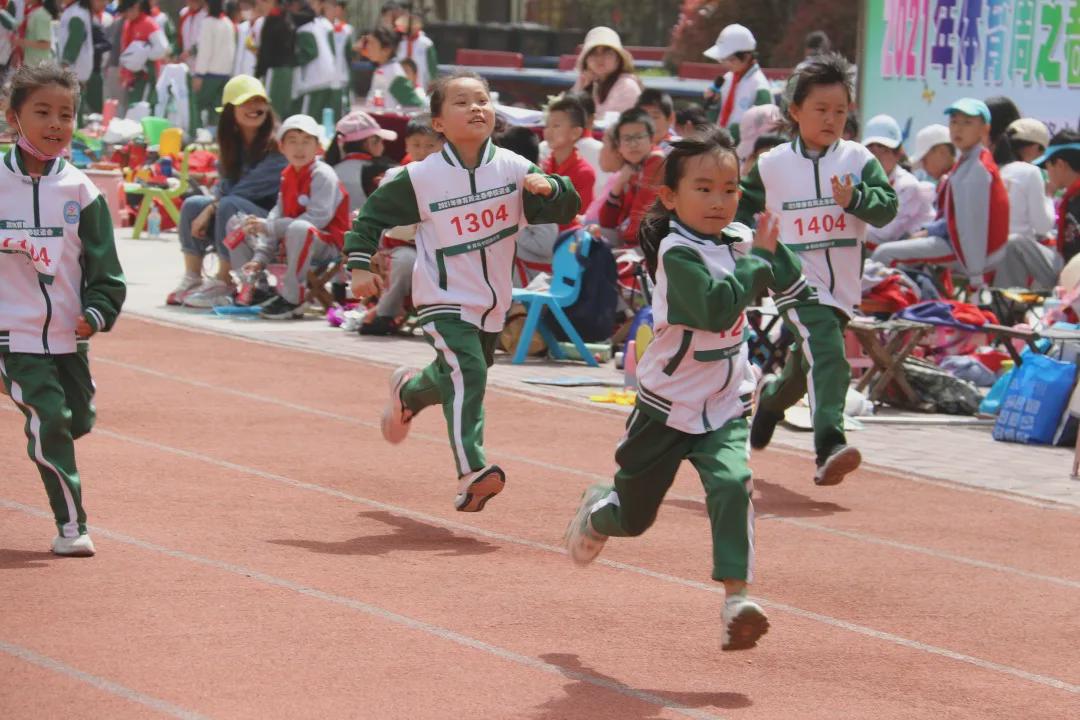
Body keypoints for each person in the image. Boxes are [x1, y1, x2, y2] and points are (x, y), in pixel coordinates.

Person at [565, 130, 798, 651]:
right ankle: (601, 512)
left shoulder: (737, 237)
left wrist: (776, 253)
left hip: (724, 400)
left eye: (730, 188)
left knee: (734, 483)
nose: (720, 201)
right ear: (670, 197)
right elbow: (716, 309)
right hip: (666, 405)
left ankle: (735, 600)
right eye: (704, 189)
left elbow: (785, 276)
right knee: (635, 517)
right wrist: (758, 262)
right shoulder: (677, 253)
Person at [345, 71, 580, 512]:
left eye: (483, 100)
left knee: (458, 375)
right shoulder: (421, 177)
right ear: (437, 123)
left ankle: (409, 393)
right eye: (461, 102)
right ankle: (472, 472)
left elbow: (567, 207)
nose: (476, 108)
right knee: (468, 373)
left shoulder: (514, 168)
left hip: (493, 303)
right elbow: (369, 219)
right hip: (442, 298)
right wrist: (359, 266)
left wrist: (552, 187)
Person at [739, 53, 897, 486]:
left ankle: (772, 399)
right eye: (821, 110)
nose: (831, 119)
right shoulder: (771, 165)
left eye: (840, 111)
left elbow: (887, 210)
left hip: (842, 283)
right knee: (827, 350)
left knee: (808, 362)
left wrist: (856, 201)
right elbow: (735, 207)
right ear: (795, 111)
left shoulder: (858, 159)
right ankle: (829, 444)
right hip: (792, 277)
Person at [0, 62, 125, 557]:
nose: (56, 124)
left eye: (66, 114)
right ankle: (72, 527)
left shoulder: (81, 190)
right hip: (12, 332)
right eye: (43, 112)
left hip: (67, 335)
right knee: (49, 420)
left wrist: (97, 313)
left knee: (77, 421)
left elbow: (106, 269)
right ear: (14, 117)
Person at [169, 75, 287, 306]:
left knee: (227, 204)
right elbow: (225, 185)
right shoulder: (232, 144)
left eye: (259, 101)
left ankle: (224, 281)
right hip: (237, 211)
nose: (255, 108)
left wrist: (212, 207)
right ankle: (192, 278)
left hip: (269, 221)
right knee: (193, 204)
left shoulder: (279, 146)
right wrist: (210, 206)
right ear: (231, 111)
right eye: (246, 102)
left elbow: (246, 190)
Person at [870, 98, 1009, 284]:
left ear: (985, 129)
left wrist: (976, 278)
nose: (958, 129)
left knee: (884, 253)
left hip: (969, 253)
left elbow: (973, 228)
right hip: (960, 246)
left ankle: (882, 309)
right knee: (890, 254)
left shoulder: (977, 168)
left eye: (967, 123)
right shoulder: (969, 162)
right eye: (954, 122)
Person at [234, 114, 350, 319]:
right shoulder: (287, 174)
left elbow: (317, 218)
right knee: (239, 223)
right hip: (294, 240)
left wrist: (268, 227)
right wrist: (261, 254)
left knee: (300, 228)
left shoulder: (323, 174)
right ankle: (253, 286)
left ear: (318, 147)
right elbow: (277, 214)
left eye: (306, 142)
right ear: (282, 147)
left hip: (328, 244)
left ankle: (292, 299)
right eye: (293, 142)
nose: (299, 148)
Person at [360, 114, 443, 336]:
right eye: (416, 145)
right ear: (406, 144)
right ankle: (385, 314)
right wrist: (374, 248)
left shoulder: (453, 178)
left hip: (441, 246)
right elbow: (376, 215)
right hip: (401, 246)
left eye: (430, 145)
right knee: (406, 261)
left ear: (444, 145)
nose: (423, 151)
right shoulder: (395, 175)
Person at [996, 118, 1058, 289]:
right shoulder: (1029, 172)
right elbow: (1043, 226)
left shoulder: (993, 169)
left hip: (985, 254)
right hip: (1014, 260)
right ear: (1033, 148)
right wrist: (1049, 196)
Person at [861, 114, 934, 250]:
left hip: (917, 264)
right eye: (871, 150)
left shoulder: (908, 185)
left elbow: (884, 232)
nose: (877, 157)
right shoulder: (862, 181)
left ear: (898, 154)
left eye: (884, 150)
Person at [599, 107, 664, 247]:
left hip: (651, 245)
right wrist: (619, 183)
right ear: (619, 146)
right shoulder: (632, 167)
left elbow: (641, 221)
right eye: (627, 139)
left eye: (639, 137)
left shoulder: (656, 161)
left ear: (652, 139)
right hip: (636, 240)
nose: (633, 144)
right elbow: (606, 221)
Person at [702, 23, 772, 144]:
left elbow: (763, 130)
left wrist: (737, 134)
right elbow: (715, 120)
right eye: (722, 59)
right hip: (721, 148)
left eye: (730, 59)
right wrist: (713, 104)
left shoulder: (760, 87)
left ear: (746, 57)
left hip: (744, 155)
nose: (725, 64)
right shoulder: (728, 79)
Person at [327, 109, 396, 213]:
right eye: (381, 140)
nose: (383, 145)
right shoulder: (385, 170)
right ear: (370, 142)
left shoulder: (330, 170)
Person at [542, 95, 595, 231]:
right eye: (547, 126)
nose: (548, 131)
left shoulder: (584, 173)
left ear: (575, 132)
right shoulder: (545, 165)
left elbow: (580, 218)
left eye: (556, 126)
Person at [570, 26, 641, 117]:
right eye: (593, 53)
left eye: (607, 53)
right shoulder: (585, 81)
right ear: (586, 61)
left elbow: (606, 121)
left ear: (618, 59)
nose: (600, 59)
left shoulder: (627, 86)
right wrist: (583, 90)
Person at [1036, 130, 1080, 265]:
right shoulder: (1072, 197)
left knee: (1016, 244)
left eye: (1047, 166)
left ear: (1060, 165)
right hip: (1069, 270)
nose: (1047, 173)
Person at [117, 0, 168, 108]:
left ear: (136, 6)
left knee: (143, 107)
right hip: (132, 76)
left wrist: (143, 56)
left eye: (127, 11)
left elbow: (162, 48)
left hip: (146, 75)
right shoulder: (128, 24)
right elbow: (126, 49)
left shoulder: (148, 23)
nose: (125, 15)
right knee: (132, 106)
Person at [192, 0, 235, 128]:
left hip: (209, 74)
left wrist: (199, 74)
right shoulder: (228, 22)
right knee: (216, 110)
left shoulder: (207, 23)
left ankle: (196, 133)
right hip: (225, 74)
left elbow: (205, 51)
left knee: (195, 105)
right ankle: (214, 137)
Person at [253, 0, 298, 120]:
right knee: (282, 109)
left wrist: (258, 73)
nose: (261, 4)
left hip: (275, 71)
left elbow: (265, 50)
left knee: (270, 109)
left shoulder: (272, 20)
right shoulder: (288, 18)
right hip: (288, 71)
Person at [363, 24, 422, 111]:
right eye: (368, 43)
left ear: (386, 50)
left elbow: (415, 105)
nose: (367, 47)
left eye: (372, 43)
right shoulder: (382, 69)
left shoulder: (393, 73)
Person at [292, 0, 333, 117]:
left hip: (312, 81)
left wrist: (290, 61)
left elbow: (310, 52)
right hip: (324, 79)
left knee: (306, 119)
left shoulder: (304, 29)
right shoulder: (317, 25)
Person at [57, 0, 94, 120]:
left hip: (73, 69)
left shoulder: (76, 12)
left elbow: (75, 41)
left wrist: (64, 64)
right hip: (77, 70)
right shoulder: (76, 10)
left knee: (72, 112)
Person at [393, 12, 436, 91]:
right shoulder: (400, 42)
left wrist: (433, 80)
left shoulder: (426, 43)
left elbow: (432, 64)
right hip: (402, 78)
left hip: (421, 80)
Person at [326, 0, 352, 118]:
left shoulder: (346, 29)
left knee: (341, 110)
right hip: (322, 77)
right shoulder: (320, 26)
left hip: (340, 76)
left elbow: (349, 55)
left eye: (338, 7)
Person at [17, 0, 59, 66]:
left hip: (38, 67)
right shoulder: (33, 12)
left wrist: (20, 42)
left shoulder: (40, 15)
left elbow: (46, 44)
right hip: (31, 64)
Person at [232, 0, 259, 77]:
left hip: (253, 75)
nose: (244, 11)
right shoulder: (241, 28)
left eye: (246, 7)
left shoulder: (262, 27)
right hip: (238, 73)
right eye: (242, 8)